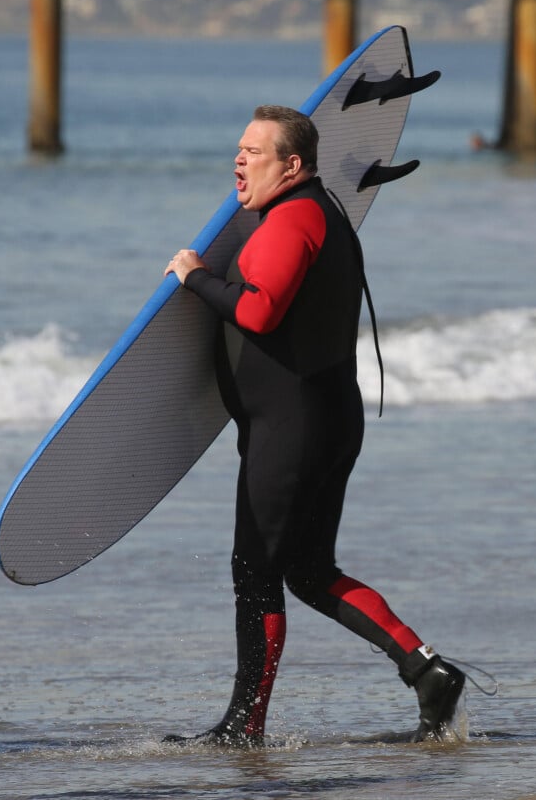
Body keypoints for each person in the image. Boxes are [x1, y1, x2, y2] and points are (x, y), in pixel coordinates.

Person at [163, 105, 464, 746]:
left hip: (292, 428)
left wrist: (196, 279)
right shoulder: (324, 213)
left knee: (256, 571)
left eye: (255, 151)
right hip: (325, 418)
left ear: (291, 165)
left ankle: (244, 729)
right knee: (306, 569)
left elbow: (261, 310)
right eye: (238, 148)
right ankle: (426, 670)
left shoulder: (292, 217)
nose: (238, 160)